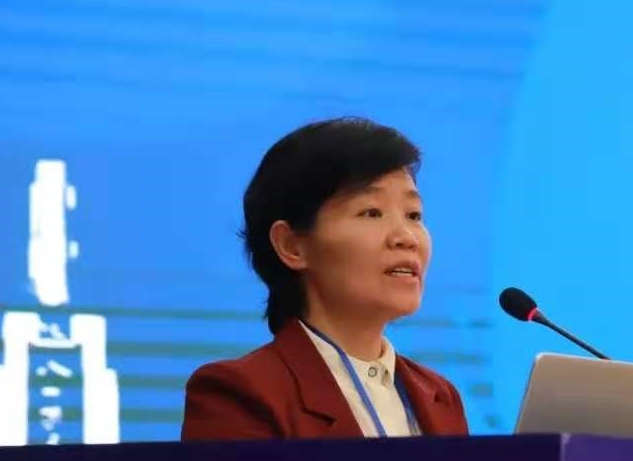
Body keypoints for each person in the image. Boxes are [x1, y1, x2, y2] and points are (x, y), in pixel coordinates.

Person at [180, 117, 469, 440]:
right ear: (292, 246)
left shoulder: (439, 395)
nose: (407, 237)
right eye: (371, 212)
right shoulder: (239, 394)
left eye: (414, 215)